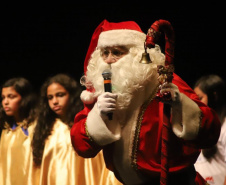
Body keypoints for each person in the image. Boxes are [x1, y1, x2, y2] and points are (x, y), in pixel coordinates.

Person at [70, 19, 221, 185]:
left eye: (117, 52)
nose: (109, 60)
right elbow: (81, 146)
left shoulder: (162, 82)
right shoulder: (102, 93)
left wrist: (180, 105)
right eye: (104, 53)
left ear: (136, 54)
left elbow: (210, 132)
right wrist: (98, 116)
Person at [31, 73, 122, 185]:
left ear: (71, 95)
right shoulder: (45, 130)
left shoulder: (83, 126)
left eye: (60, 95)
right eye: (50, 97)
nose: (54, 101)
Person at [0, 77, 38, 185]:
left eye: (11, 97)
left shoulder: (35, 127)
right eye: (3, 98)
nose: (5, 102)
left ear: (25, 98)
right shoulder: (6, 130)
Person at [194, 74, 226, 185]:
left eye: (200, 98)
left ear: (214, 96)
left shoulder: (225, 127)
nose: (196, 104)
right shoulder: (197, 126)